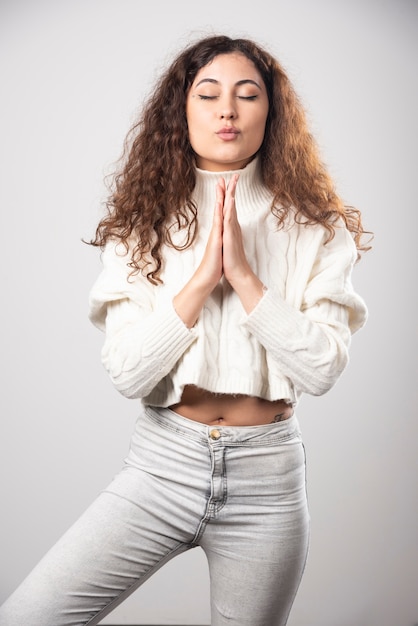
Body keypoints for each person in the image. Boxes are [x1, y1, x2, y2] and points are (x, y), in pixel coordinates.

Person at [0, 34, 370, 626]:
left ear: (270, 115)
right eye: (209, 94)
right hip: (162, 465)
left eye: (248, 95)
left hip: (267, 482)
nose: (228, 109)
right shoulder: (139, 224)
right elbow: (127, 372)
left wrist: (246, 280)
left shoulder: (317, 227)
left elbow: (322, 368)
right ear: (183, 110)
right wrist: (200, 283)